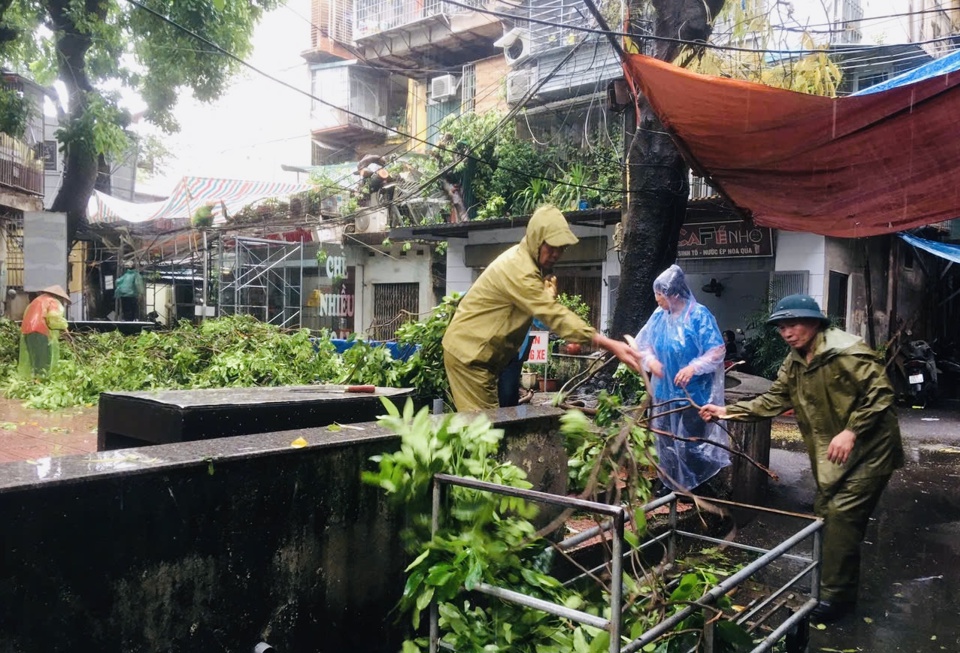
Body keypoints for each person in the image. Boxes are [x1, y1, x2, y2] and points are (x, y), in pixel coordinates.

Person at [699, 294, 904, 622]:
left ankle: (834, 599)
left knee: (839, 516)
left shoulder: (847, 351)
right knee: (828, 514)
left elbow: (880, 394)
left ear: (814, 323)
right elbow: (772, 401)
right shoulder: (794, 363)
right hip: (836, 455)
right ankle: (841, 589)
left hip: (871, 451)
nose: (786, 332)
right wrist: (726, 411)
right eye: (781, 327)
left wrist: (851, 431)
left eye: (793, 324)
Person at [442, 204, 642, 412]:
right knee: (484, 433)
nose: (556, 254)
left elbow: (542, 312)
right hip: (469, 356)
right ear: (537, 240)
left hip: (486, 357)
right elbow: (554, 315)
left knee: (491, 424)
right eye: (551, 247)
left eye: (561, 248)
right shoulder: (519, 268)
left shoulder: (529, 266)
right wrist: (610, 344)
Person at [633, 264, 730, 495]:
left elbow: (716, 351)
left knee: (690, 443)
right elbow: (642, 345)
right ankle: (668, 483)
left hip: (694, 394)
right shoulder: (658, 316)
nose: (657, 299)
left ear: (674, 294)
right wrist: (650, 361)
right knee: (665, 441)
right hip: (664, 393)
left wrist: (693, 368)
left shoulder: (699, 315)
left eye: (660, 294)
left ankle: (695, 485)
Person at [18, 285, 70, 378]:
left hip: (27, 332)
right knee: (43, 359)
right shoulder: (52, 301)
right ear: (57, 296)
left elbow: (26, 315)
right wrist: (64, 327)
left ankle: (33, 380)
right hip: (41, 332)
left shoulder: (36, 301)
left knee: (34, 359)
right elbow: (54, 319)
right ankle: (40, 381)